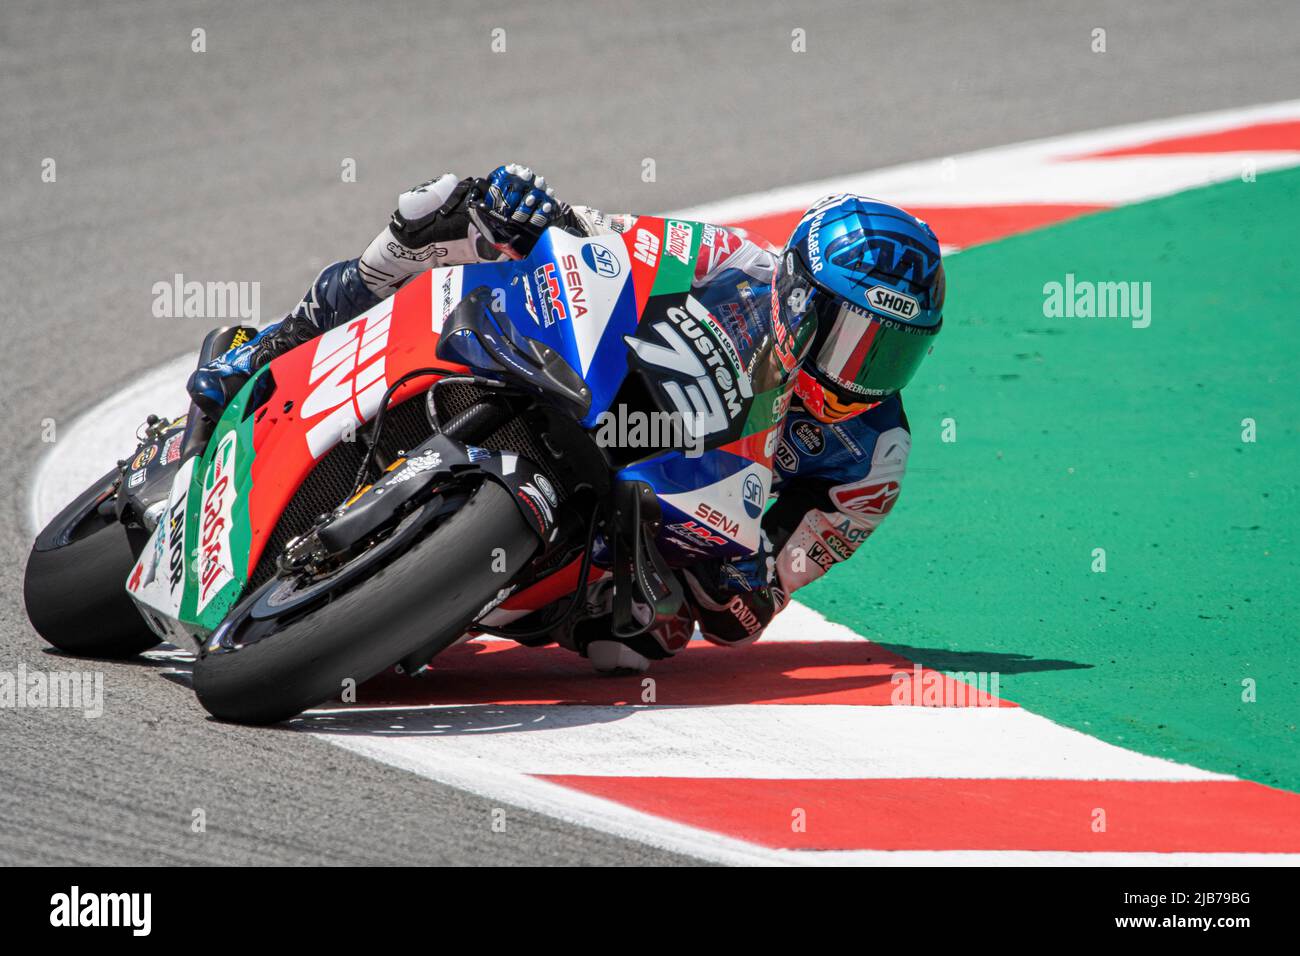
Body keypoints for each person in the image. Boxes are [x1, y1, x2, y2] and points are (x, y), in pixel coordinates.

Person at [187, 164, 945, 673]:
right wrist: (536, 214)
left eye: (891, 354)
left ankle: (408, 599)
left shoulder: (873, 457)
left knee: (643, 644)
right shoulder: (731, 261)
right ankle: (273, 347)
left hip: (657, 522)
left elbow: (756, 608)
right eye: (855, 340)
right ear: (803, 295)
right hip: (589, 390)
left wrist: (740, 578)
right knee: (446, 209)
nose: (863, 374)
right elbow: (604, 239)